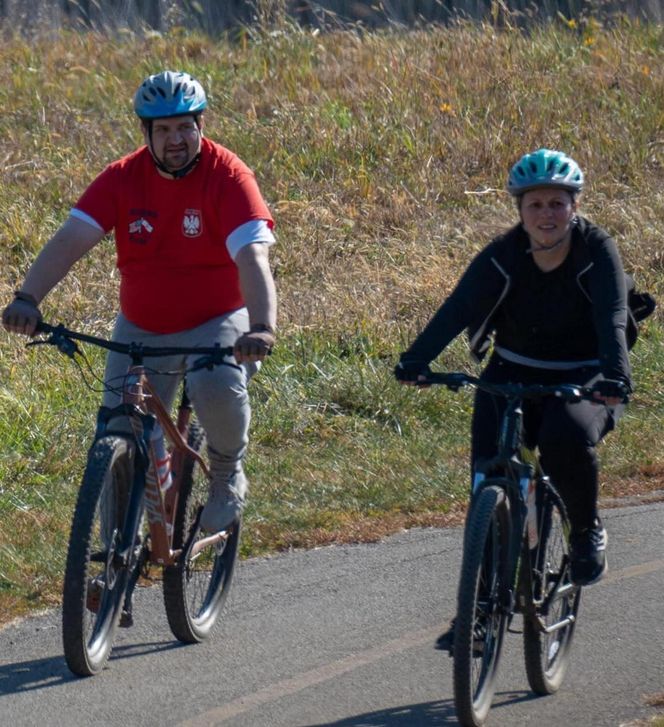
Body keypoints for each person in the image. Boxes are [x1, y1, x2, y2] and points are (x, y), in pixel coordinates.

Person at [2, 70, 277, 534]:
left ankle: (228, 475)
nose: (176, 140)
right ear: (145, 132)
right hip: (141, 327)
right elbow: (70, 240)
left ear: (201, 126)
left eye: (185, 127)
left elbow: (253, 257)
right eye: (164, 129)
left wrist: (261, 327)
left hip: (219, 319)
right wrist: (27, 297)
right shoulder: (123, 179)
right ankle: (113, 564)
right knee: (118, 430)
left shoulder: (228, 176)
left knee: (213, 385)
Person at [395, 148, 634, 596]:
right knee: (486, 473)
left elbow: (613, 315)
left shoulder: (596, 249)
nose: (547, 214)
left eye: (557, 203)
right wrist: (415, 360)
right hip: (511, 372)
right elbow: (457, 308)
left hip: (583, 377)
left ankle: (585, 532)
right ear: (520, 211)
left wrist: (615, 376)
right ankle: (483, 601)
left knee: (564, 439)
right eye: (535, 205)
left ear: (574, 206)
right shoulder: (503, 255)